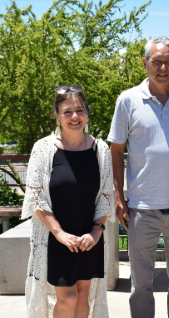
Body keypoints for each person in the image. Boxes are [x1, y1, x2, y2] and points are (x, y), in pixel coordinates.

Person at [108, 36, 169, 318]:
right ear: (145, 63)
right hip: (141, 209)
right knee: (141, 285)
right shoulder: (127, 100)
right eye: (157, 61)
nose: (163, 67)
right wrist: (118, 197)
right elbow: (116, 149)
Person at [22, 85, 115, 318]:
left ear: (87, 113)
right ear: (57, 116)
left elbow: (106, 194)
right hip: (55, 238)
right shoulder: (43, 149)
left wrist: (96, 231)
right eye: (67, 111)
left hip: (88, 238)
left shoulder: (100, 149)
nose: (75, 116)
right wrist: (59, 233)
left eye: (80, 110)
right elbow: (35, 196)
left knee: (83, 296)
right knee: (67, 299)